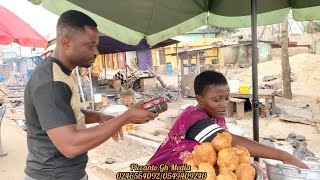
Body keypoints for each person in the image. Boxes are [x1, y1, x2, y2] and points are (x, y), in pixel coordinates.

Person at [24, 10, 158, 180]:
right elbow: (70, 144)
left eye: (96, 45)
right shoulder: (50, 82)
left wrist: (98, 116)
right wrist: (126, 117)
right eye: (90, 45)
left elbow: (67, 113)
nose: (96, 52)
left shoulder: (62, 72)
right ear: (66, 42)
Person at [147, 70, 308, 169]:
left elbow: (225, 149)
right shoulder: (195, 119)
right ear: (200, 100)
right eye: (217, 100)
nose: (224, 104)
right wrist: (284, 156)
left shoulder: (214, 117)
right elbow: (230, 141)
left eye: (226, 97)